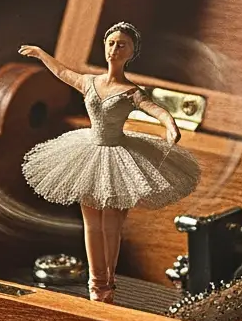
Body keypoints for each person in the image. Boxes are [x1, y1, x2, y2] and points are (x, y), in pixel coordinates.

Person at [17, 21, 200, 304]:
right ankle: (96, 281)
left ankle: (108, 283)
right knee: (91, 224)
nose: (115, 49)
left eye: (122, 45)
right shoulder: (89, 82)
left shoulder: (131, 91)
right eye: (111, 43)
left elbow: (156, 109)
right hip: (88, 152)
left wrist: (170, 125)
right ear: (104, 47)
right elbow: (63, 72)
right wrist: (41, 54)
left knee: (112, 225)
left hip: (118, 157)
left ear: (131, 52)